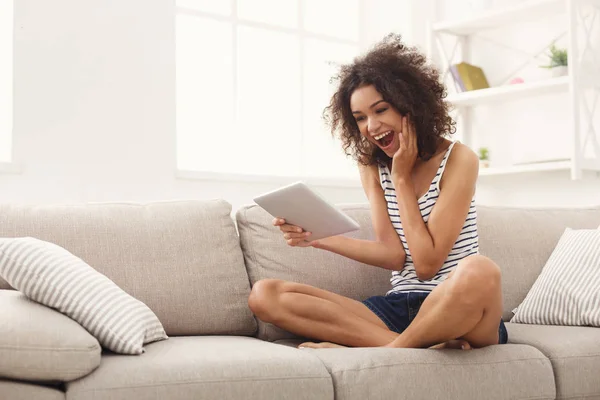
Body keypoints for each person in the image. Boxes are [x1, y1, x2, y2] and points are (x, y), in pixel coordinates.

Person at [247, 33, 508, 350]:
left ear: (409, 105)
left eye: (380, 110)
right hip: (399, 308)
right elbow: (394, 255)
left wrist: (401, 180)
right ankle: (415, 348)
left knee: (480, 270)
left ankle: (389, 352)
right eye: (360, 118)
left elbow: (427, 265)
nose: (371, 126)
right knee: (265, 295)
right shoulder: (373, 167)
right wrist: (317, 238)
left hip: (457, 307)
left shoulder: (458, 159)